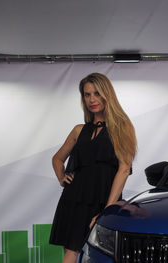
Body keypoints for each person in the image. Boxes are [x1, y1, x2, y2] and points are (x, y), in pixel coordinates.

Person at [49, 73, 137, 263]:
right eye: (87, 95)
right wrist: (62, 177)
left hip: (101, 200)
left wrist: (107, 209)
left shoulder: (122, 127)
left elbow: (124, 169)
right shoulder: (79, 130)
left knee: (79, 253)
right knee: (71, 251)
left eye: (97, 93)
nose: (92, 99)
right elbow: (57, 159)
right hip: (73, 199)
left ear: (107, 94)